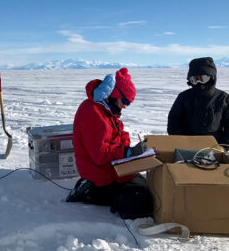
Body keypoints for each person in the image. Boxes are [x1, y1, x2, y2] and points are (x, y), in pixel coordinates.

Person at [66, 68, 153, 219]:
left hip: (112, 168)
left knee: (145, 186)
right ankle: (89, 190)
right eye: (125, 101)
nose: (125, 106)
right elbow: (100, 154)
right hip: (100, 174)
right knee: (140, 201)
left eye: (129, 103)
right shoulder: (92, 111)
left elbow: (120, 135)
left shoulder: (107, 110)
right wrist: (128, 152)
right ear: (114, 95)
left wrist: (131, 150)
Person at [168, 57, 229, 144]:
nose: (199, 83)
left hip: (214, 147)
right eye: (194, 80)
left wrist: (223, 146)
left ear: (212, 77)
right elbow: (173, 122)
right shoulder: (184, 97)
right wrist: (181, 142)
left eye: (202, 79)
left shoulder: (224, 99)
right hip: (186, 146)